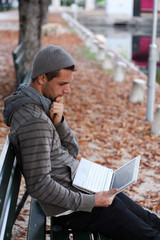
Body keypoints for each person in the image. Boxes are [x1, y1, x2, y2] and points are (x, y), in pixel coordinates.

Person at [3, 45, 160, 240]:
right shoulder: (34, 121)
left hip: (78, 189)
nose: (67, 90)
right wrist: (92, 201)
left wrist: (59, 123)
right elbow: (40, 186)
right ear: (42, 78)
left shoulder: (40, 105)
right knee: (149, 234)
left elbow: (71, 150)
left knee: (150, 220)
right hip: (72, 209)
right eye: (62, 83)